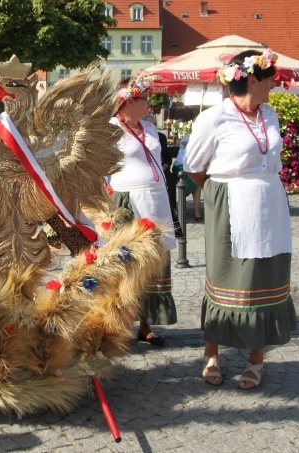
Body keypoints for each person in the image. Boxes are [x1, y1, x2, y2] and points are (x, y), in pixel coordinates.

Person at [185, 49, 296, 389]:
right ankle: (212, 353)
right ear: (251, 80)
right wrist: (216, 200)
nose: (274, 85)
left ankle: (256, 358)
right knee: (225, 277)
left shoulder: (270, 114)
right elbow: (194, 167)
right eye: (270, 79)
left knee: (263, 278)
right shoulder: (214, 118)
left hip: (270, 204)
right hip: (230, 202)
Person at [108, 76, 178, 346]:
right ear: (128, 101)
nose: (149, 101)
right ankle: (119, 325)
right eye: (145, 97)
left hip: (156, 199)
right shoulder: (111, 129)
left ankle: (146, 324)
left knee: (154, 261)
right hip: (128, 200)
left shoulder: (149, 127)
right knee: (127, 262)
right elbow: (102, 166)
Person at [143, 114, 181, 237]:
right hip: (148, 172)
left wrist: (165, 166)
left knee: (170, 179)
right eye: (151, 124)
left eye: (155, 124)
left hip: (162, 168)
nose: (154, 126)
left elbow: (167, 155)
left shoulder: (161, 137)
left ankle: (172, 207)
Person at [173, 133, 203, 222]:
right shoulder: (188, 136)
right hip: (180, 166)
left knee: (198, 182)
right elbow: (190, 147)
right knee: (195, 180)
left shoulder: (203, 137)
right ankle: (186, 212)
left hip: (193, 167)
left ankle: (197, 211)